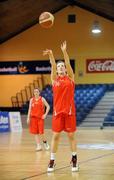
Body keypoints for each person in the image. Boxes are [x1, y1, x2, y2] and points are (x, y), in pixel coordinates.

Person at [43, 41, 79, 172]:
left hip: (69, 112)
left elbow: (68, 63)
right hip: (58, 113)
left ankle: (74, 159)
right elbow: (52, 65)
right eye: (59, 66)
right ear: (57, 70)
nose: (61, 67)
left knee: (71, 136)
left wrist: (64, 52)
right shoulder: (54, 80)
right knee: (56, 136)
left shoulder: (71, 78)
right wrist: (51, 55)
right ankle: (52, 160)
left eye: (62, 66)